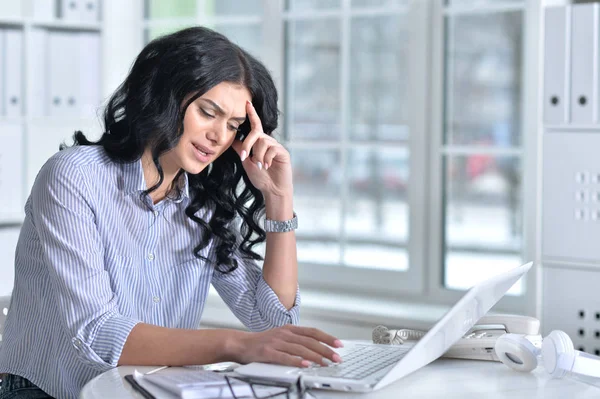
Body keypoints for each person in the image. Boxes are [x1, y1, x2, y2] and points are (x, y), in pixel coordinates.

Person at [0, 27, 342, 399]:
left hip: (148, 390)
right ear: (163, 97)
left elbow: (274, 320)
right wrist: (236, 345)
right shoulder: (74, 177)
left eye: (233, 126)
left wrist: (279, 199)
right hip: (44, 392)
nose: (219, 136)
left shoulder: (205, 203)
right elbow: (97, 334)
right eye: (208, 112)